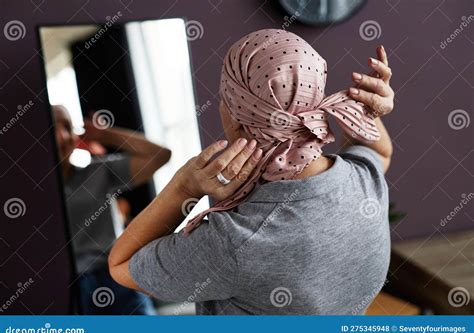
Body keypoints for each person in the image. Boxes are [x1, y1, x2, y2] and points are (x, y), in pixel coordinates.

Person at [108, 29, 395, 315]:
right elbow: (381, 152)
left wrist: (185, 188)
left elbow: (122, 265)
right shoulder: (364, 182)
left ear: (236, 116)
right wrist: (368, 112)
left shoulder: (235, 241)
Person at [53, 105, 171, 314]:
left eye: (68, 127)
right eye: (53, 128)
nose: (63, 136)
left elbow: (160, 155)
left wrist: (104, 134)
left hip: (116, 275)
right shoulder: (29, 193)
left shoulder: (98, 172)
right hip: (72, 287)